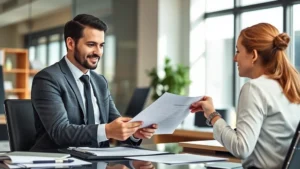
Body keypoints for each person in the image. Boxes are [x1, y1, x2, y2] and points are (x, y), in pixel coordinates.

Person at [30, 14, 157, 152]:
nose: (98, 52)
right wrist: (107, 130)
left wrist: (133, 132)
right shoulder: (48, 79)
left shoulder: (100, 81)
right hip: (60, 161)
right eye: (91, 44)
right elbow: (60, 132)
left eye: (101, 45)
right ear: (71, 43)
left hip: (99, 160)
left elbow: (116, 123)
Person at [190, 23, 300, 169]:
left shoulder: (254, 88)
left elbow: (241, 147)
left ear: (253, 55)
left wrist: (212, 115)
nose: (235, 58)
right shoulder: (291, 87)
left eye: (238, 51)